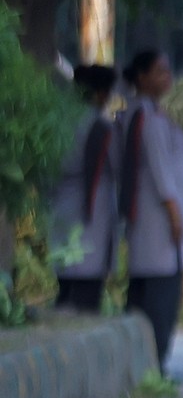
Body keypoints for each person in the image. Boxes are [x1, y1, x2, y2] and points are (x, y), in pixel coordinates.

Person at [116, 50, 183, 370]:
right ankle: (154, 365)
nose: (167, 77)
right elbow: (161, 171)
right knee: (159, 298)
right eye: (159, 71)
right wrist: (174, 213)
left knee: (146, 292)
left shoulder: (146, 114)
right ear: (141, 77)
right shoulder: (148, 120)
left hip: (154, 221)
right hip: (159, 221)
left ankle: (146, 366)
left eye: (168, 71)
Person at [48, 62, 118, 315]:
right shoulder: (100, 127)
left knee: (65, 285)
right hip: (91, 210)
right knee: (86, 292)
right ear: (101, 93)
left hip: (60, 206)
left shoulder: (58, 122)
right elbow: (118, 165)